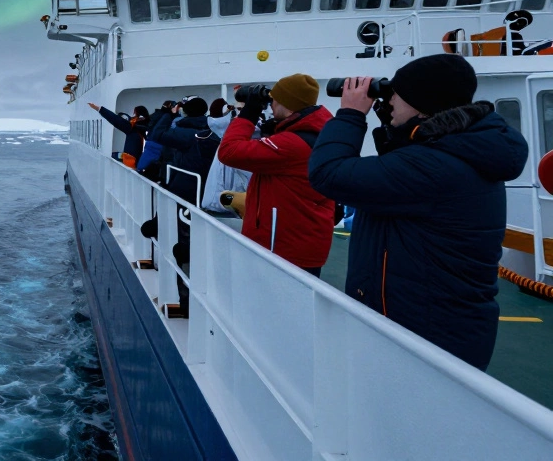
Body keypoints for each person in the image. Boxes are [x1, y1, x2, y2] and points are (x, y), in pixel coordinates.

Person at [308, 55, 528, 370]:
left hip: (427, 334)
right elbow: (395, 167)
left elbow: (328, 173)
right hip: (427, 324)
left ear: (423, 105)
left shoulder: (434, 167)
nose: (390, 99)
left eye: (397, 94)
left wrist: (350, 114)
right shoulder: (454, 150)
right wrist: (394, 122)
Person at [218, 74, 335, 274]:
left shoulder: (292, 144)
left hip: (283, 247)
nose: (271, 105)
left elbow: (228, 152)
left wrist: (249, 113)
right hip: (299, 242)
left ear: (286, 103)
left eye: (274, 100)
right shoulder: (320, 133)